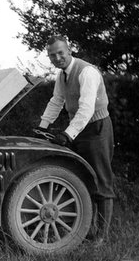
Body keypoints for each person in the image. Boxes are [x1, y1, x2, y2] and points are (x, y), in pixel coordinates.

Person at [36, 35, 115, 243]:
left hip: (96, 128)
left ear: (69, 51)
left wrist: (67, 134)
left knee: (102, 181)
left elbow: (87, 108)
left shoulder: (87, 71)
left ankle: (102, 237)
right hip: (80, 130)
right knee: (85, 179)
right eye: (52, 55)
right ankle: (89, 230)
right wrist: (42, 126)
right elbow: (57, 100)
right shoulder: (62, 75)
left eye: (60, 52)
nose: (57, 57)